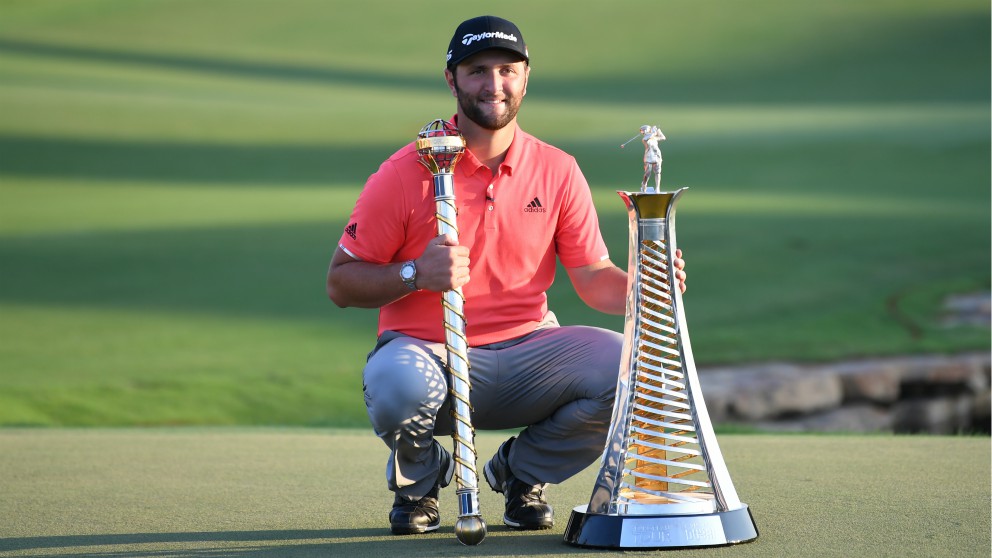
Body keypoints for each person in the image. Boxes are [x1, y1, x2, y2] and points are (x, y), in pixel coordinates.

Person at [326, 15, 686, 536]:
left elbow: (592, 278)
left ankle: (520, 474)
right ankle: (421, 483)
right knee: (395, 383)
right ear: (451, 80)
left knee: (626, 368)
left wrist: (645, 289)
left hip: (528, 353)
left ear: (525, 76)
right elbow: (340, 283)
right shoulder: (407, 170)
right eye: (477, 71)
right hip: (428, 353)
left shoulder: (557, 169)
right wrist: (414, 273)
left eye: (507, 70)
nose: (494, 85)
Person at [640, 124, 666, 191]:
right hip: (648, 156)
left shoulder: (654, 138)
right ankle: (644, 184)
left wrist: (658, 130)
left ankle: (657, 187)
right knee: (647, 173)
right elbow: (650, 136)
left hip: (656, 155)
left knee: (658, 172)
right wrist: (654, 132)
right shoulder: (645, 139)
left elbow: (663, 137)